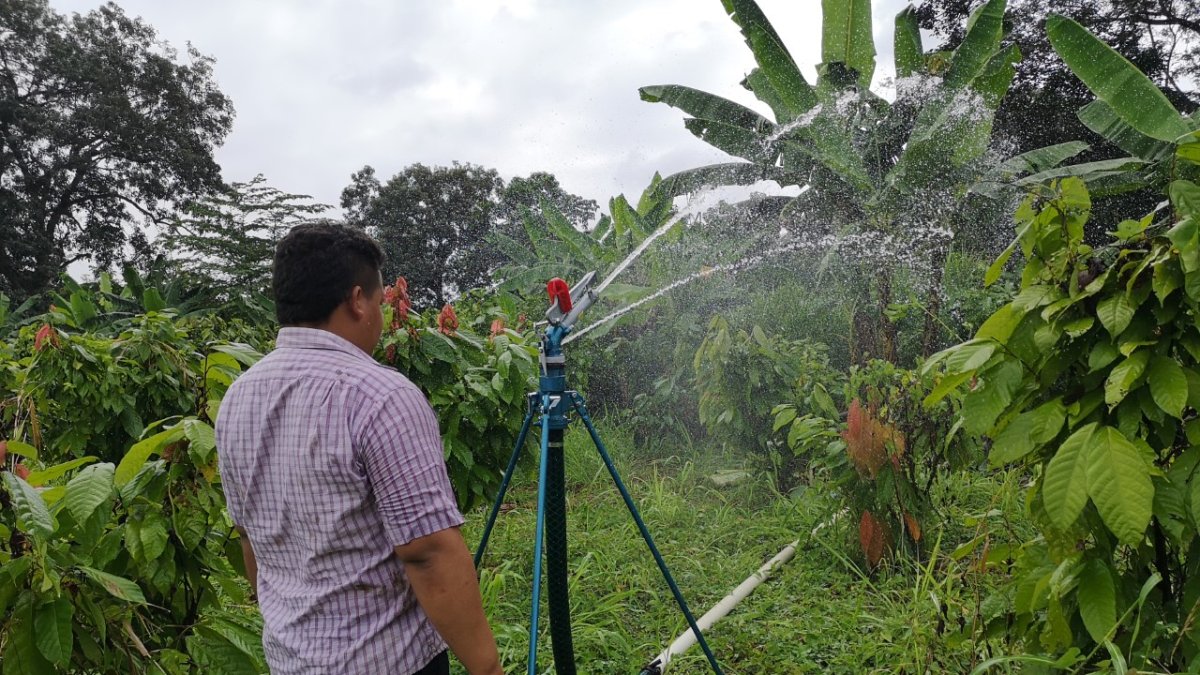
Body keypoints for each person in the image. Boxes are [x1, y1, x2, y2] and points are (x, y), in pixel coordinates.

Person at [216, 222, 503, 675]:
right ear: (357, 300)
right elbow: (427, 551)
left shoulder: (238, 397)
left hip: (290, 661)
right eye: (379, 300)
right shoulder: (380, 396)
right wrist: (487, 669)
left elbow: (250, 539)